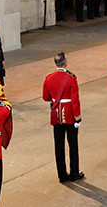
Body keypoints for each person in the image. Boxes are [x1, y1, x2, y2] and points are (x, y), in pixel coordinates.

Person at [42, 52, 83, 183]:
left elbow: (45, 97)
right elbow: (75, 100)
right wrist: (78, 117)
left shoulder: (48, 78)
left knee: (59, 146)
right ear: (65, 63)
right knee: (73, 145)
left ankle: (62, 175)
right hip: (70, 115)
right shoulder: (71, 78)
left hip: (56, 115)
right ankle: (74, 173)